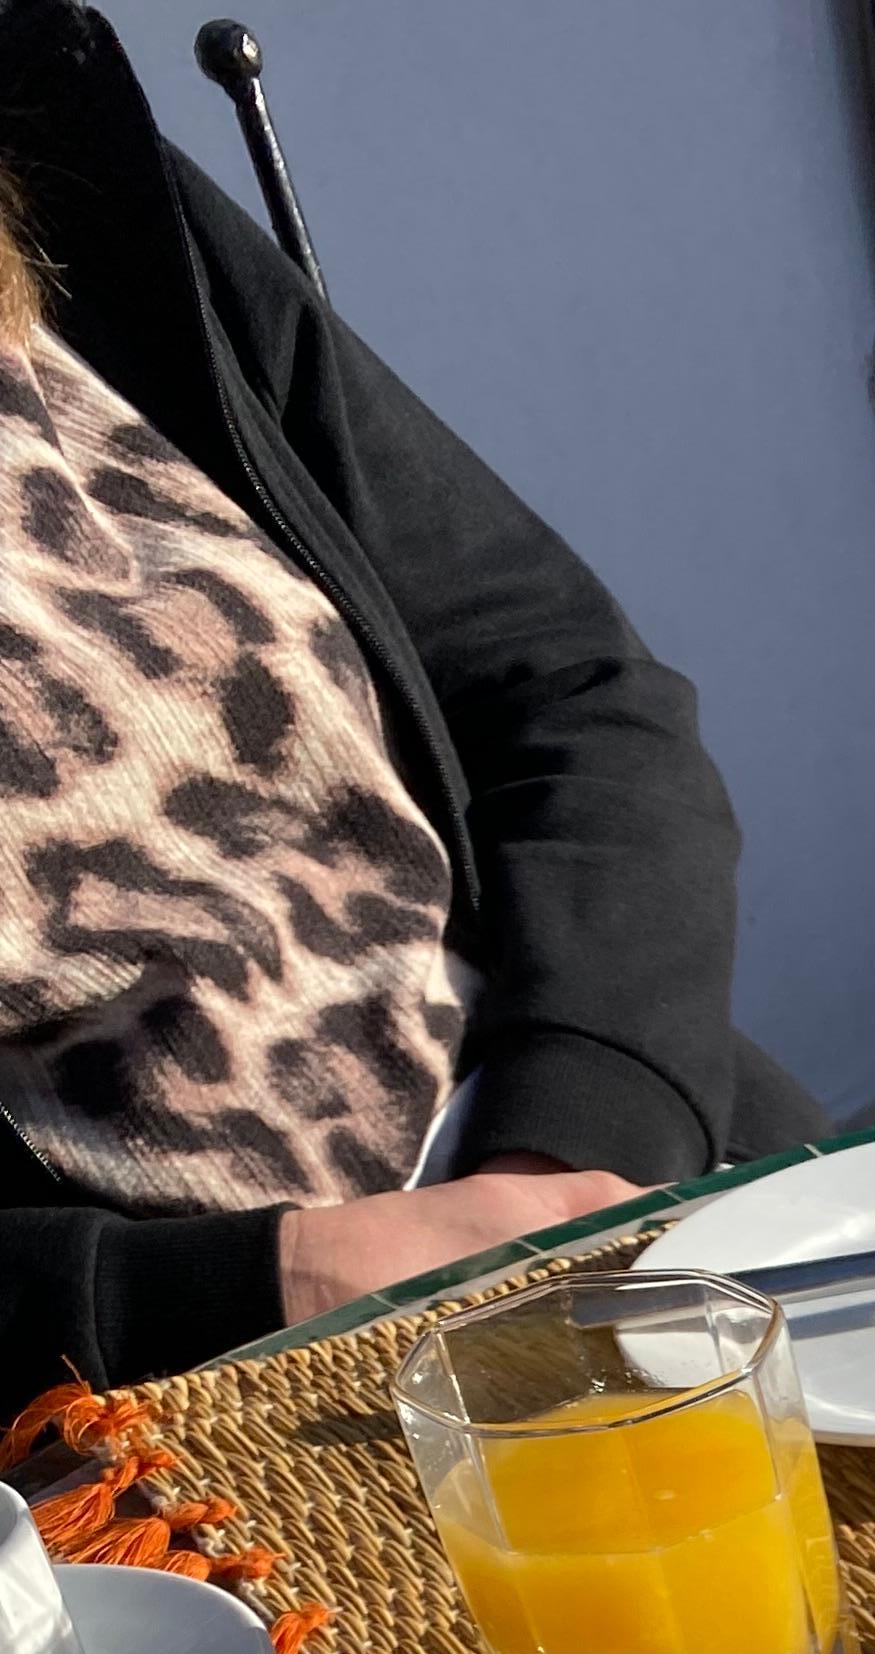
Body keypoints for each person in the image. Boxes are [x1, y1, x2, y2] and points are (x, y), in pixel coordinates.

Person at [0, 0, 816, 1414]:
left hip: (642, 1203)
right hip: (204, 1444)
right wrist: (281, 1283)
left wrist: (564, 1156)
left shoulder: (59, 178)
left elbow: (561, 678)